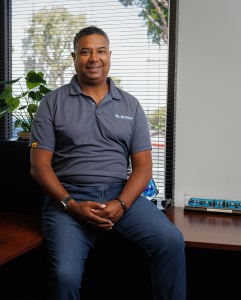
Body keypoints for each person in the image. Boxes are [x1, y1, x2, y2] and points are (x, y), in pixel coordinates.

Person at [29, 26, 186, 300]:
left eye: (100, 51)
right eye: (85, 51)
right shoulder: (51, 103)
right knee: (64, 276)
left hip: (119, 194)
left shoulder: (130, 105)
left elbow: (143, 166)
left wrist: (121, 204)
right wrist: (71, 205)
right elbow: (39, 165)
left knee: (171, 241)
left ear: (109, 55)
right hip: (68, 197)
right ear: (74, 57)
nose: (93, 58)